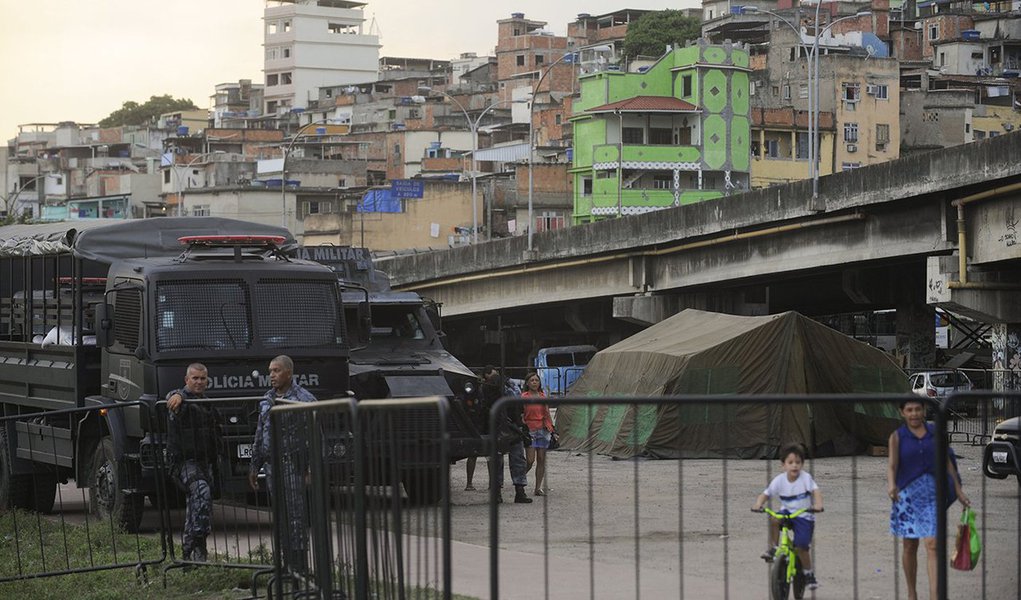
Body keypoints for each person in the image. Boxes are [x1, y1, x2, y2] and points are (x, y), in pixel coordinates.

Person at [888, 398, 969, 600]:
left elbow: (947, 462)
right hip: (907, 495)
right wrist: (891, 484)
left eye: (918, 409)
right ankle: (911, 593)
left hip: (933, 494)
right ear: (902, 412)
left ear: (924, 411)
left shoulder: (935, 433)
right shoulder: (897, 437)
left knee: (932, 543)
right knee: (910, 545)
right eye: (909, 410)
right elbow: (892, 465)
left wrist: (958, 489)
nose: (914, 413)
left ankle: (935, 595)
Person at [248, 355, 317, 572]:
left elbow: (314, 435)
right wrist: (254, 465)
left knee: (296, 515)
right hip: (271, 466)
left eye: (276, 371)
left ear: (289, 372)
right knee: (280, 516)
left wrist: (311, 467)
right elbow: (260, 434)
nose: (272, 376)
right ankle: (285, 564)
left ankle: (299, 566)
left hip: (293, 464)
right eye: (270, 371)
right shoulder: (267, 399)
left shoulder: (303, 399)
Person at [165, 363, 221, 562]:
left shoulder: (207, 403)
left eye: (203, 378)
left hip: (205, 462)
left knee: (198, 505)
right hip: (184, 462)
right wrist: (178, 395)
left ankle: (190, 556)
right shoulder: (180, 399)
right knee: (201, 492)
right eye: (195, 378)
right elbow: (171, 399)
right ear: (186, 380)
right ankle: (197, 546)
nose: (199, 382)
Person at [752, 444, 824, 590]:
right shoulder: (779, 480)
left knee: (801, 547)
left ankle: (809, 574)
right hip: (787, 512)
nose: (794, 466)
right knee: (774, 518)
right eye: (790, 462)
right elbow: (765, 494)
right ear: (783, 465)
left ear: (802, 464)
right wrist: (758, 504)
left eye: (798, 462)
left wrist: (818, 505)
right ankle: (773, 548)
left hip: (803, 515)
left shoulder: (806, 478)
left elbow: (816, 492)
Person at [479, 365, 532, 504]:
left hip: (502, 429)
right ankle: (518, 492)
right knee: (516, 461)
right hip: (508, 428)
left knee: (502, 462)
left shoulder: (488, 390)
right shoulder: (507, 389)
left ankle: (500, 493)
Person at [522, 372, 554, 497]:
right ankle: (519, 479)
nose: (534, 382)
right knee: (530, 460)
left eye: (536, 380)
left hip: (542, 430)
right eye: (532, 380)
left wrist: (552, 429)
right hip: (530, 430)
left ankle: (537, 488)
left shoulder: (542, 396)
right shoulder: (523, 397)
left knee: (541, 460)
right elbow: (521, 414)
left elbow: (547, 414)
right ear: (527, 383)